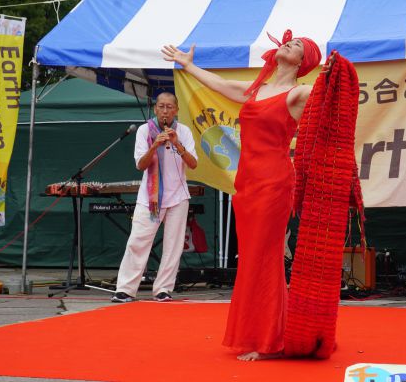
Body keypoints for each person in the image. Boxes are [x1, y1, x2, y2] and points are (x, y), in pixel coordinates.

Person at [162, 30, 321, 361]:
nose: (288, 44)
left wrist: (334, 73)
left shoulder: (299, 93)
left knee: (264, 258)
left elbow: (326, 96)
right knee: (252, 257)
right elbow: (220, 85)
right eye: (288, 42)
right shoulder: (256, 90)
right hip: (247, 183)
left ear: (303, 62)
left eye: (297, 46)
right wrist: (188, 66)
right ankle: (268, 333)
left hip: (274, 183)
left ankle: (268, 341)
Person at [111, 92, 198, 303]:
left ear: (176, 110)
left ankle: (163, 289)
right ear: (155, 109)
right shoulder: (144, 130)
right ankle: (125, 289)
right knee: (138, 241)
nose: (165, 111)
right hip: (150, 197)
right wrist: (154, 146)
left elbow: (193, 164)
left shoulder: (183, 131)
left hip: (177, 196)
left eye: (170, 107)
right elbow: (141, 165)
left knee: (173, 245)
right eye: (161, 106)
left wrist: (177, 144)